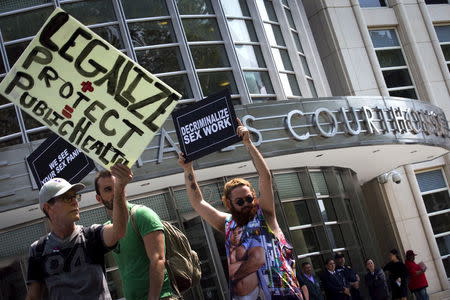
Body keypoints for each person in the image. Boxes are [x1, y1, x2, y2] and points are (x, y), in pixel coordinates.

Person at [178, 120, 303, 299]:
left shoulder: (265, 215)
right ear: (229, 205)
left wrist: (248, 143)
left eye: (249, 198)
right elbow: (198, 202)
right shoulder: (227, 224)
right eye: (240, 201)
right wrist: (187, 168)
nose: (246, 204)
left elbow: (265, 177)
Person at [26, 163, 132, 300]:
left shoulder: (91, 235)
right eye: (66, 198)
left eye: (75, 196)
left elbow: (119, 230)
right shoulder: (38, 249)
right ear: (48, 208)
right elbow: (33, 296)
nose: (75, 202)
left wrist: (120, 188)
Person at [95, 170, 176, 300]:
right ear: (99, 198)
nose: (115, 192)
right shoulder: (108, 230)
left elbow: (158, 260)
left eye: (117, 186)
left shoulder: (141, 215)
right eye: (108, 189)